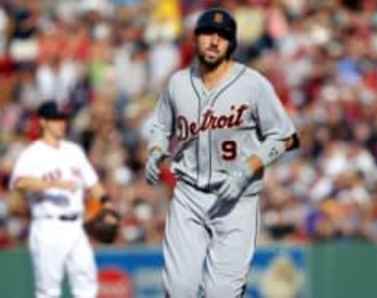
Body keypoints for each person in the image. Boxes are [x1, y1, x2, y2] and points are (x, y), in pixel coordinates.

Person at [145, 8, 299, 297]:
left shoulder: (252, 83)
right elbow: (160, 126)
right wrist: (156, 150)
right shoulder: (178, 83)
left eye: (223, 36)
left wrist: (248, 167)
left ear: (231, 44)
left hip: (237, 198)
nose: (214, 41)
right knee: (179, 289)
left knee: (221, 293)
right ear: (195, 38)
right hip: (189, 195)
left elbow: (287, 136)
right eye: (208, 34)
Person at [9, 101, 110, 298]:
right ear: (43, 122)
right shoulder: (32, 154)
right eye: (56, 119)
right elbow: (19, 182)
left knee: (87, 283)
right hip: (48, 226)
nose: (61, 123)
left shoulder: (73, 151)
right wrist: (53, 185)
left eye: (63, 119)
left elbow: (93, 184)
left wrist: (107, 204)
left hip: (76, 226)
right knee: (48, 290)